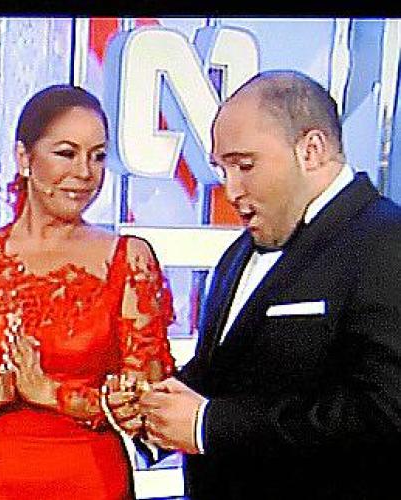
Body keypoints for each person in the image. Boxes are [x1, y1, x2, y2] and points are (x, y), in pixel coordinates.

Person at [134, 70, 401, 499]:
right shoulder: (238, 253)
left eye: (245, 166)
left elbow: (383, 416)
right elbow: (225, 371)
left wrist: (208, 425)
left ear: (311, 150)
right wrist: (155, 410)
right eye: (222, 169)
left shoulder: (387, 241)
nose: (231, 190)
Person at [0, 84, 176, 499]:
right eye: (67, 153)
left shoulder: (128, 259)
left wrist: (52, 393)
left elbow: (150, 409)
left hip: (92, 482)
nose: (85, 172)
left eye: (98, 156)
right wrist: (1, 390)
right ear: (24, 158)